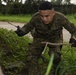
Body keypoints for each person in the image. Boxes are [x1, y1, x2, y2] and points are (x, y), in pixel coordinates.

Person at [15, 1, 76, 75]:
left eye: (47, 16)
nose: (44, 19)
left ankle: (56, 71)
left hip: (55, 38)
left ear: (53, 13)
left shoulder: (61, 18)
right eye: (42, 16)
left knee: (56, 57)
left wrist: (74, 39)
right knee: (30, 57)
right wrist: (21, 32)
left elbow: (74, 30)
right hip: (39, 38)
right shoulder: (35, 17)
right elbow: (27, 27)